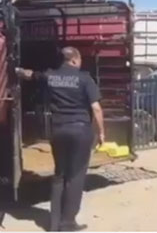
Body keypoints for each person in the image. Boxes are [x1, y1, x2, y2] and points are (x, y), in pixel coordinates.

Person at [16, 47, 105, 232]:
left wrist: (14, 70)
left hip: (58, 130)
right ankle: (68, 223)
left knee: (59, 175)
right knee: (76, 176)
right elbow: (96, 108)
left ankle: (55, 222)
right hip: (80, 131)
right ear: (74, 60)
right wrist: (101, 132)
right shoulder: (84, 78)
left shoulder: (50, 76)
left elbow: (31, 75)